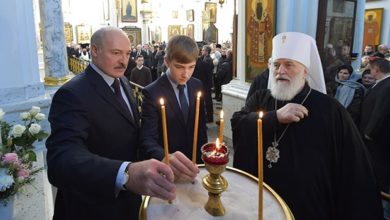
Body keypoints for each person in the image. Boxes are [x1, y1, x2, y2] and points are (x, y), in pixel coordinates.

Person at [232, 32, 383, 220]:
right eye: (277, 65)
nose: (280, 71)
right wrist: (275, 117)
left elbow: (353, 168)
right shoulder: (262, 97)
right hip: (257, 201)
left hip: (306, 206)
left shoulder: (329, 109)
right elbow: (238, 122)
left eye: (289, 65)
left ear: (305, 71)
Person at [46, 27, 176, 220]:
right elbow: (61, 160)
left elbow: (132, 135)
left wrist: (163, 157)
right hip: (91, 207)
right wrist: (125, 174)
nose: (124, 61)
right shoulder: (72, 94)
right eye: (116, 53)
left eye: (127, 53)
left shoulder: (122, 81)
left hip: (127, 202)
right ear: (95, 50)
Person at [140, 35, 207, 182]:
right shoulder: (152, 92)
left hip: (196, 165)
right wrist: (164, 157)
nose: (186, 74)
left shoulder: (197, 85)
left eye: (191, 67)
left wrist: (204, 158)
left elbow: (200, 126)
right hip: (168, 170)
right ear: (166, 61)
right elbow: (147, 138)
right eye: (179, 67)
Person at [360, 57, 390, 194]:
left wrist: (368, 133)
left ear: (376, 70)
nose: (370, 71)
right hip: (374, 138)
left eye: (371, 69)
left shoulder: (387, 85)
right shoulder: (381, 83)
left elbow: (380, 111)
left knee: (378, 170)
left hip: (377, 139)